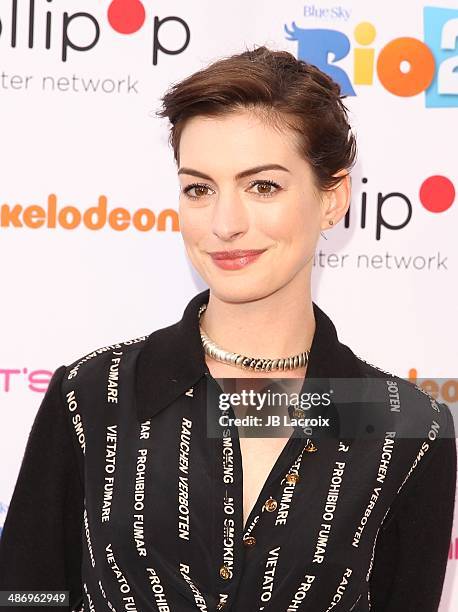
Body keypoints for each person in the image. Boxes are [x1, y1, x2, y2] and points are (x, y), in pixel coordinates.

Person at [0, 45, 456, 612]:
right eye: (199, 188)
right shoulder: (92, 396)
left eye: (262, 186)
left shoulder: (408, 428)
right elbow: (26, 592)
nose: (225, 224)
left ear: (333, 197)